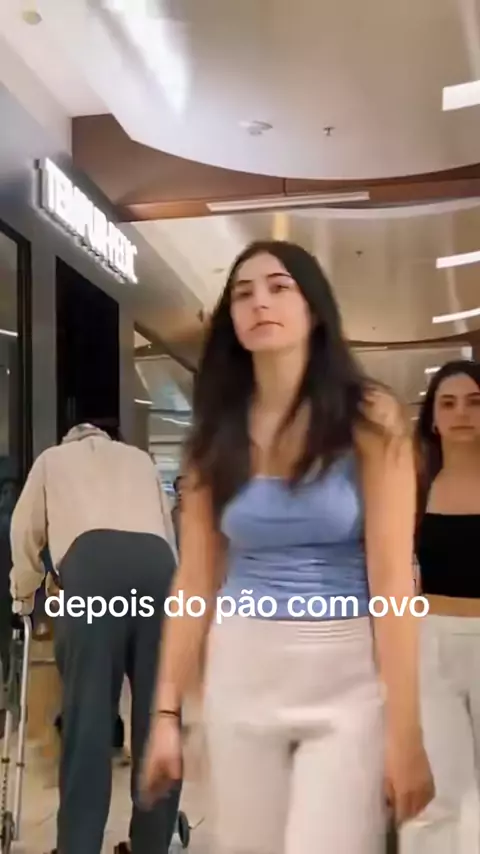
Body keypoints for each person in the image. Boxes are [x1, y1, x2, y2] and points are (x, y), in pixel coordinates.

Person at [140, 240, 434, 854]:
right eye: (243, 293)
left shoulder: (369, 417)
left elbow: (391, 580)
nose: (260, 302)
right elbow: (194, 581)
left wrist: (406, 732)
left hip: (345, 672)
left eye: (279, 287)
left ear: (314, 310)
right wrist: (167, 713)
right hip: (243, 669)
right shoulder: (214, 436)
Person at [9, 422, 181, 854]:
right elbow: (167, 532)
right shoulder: (140, 460)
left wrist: (23, 594)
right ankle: (151, 844)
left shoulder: (52, 460)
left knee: (88, 719)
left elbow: (25, 531)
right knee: (158, 715)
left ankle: (79, 845)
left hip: (91, 574)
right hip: (158, 571)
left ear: (70, 439)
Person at [401, 360, 480, 854]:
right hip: (431, 639)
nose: (461, 413)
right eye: (448, 404)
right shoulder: (416, 485)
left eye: (474, 402)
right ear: (433, 417)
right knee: (442, 787)